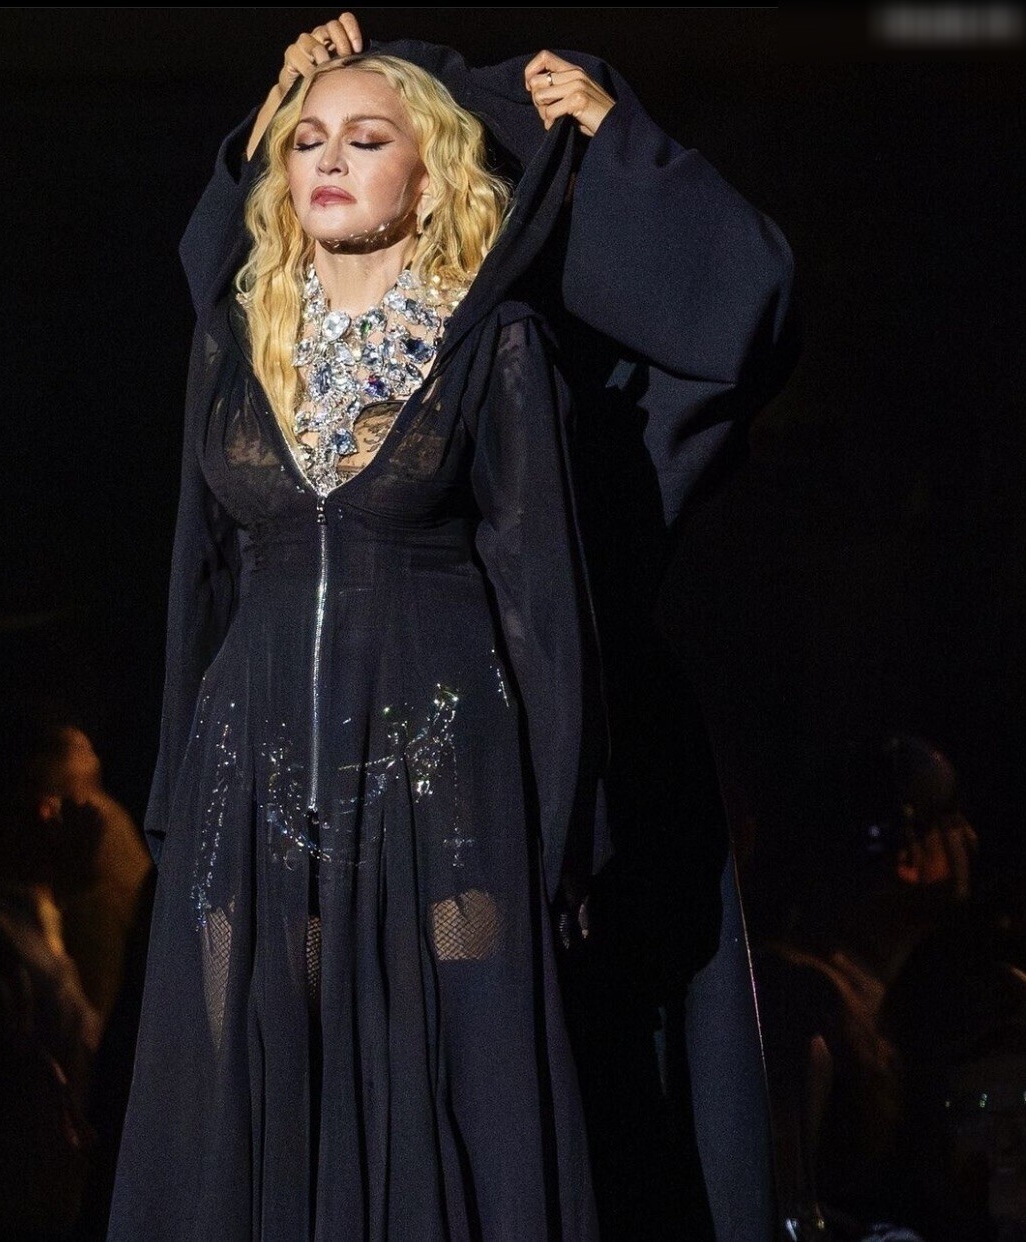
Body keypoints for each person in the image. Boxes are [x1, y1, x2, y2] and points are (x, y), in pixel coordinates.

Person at [108, 13, 796, 1241]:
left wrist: (557, 817)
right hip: (255, 770)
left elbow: (541, 594)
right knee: (254, 1081)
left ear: (429, 180)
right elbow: (195, 573)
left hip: (439, 771)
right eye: (307, 141)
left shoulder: (495, 344)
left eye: (366, 139)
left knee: (447, 1083)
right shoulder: (238, 342)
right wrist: (286, 92)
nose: (326, 157)